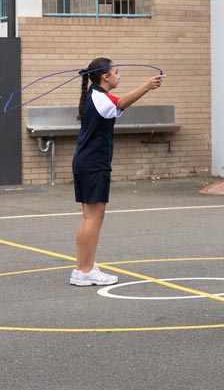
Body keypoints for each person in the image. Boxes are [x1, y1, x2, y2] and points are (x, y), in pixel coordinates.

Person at [68, 58, 164, 287]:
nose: (119, 76)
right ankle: (86, 270)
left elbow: (117, 104)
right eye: (117, 72)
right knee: (94, 217)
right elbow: (121, 103)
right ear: (105, 77)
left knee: (88, 217)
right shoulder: (100, 96)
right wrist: (147, 86)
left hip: (86, 162)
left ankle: (82, 268)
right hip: (94, 164)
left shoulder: (95, 95)